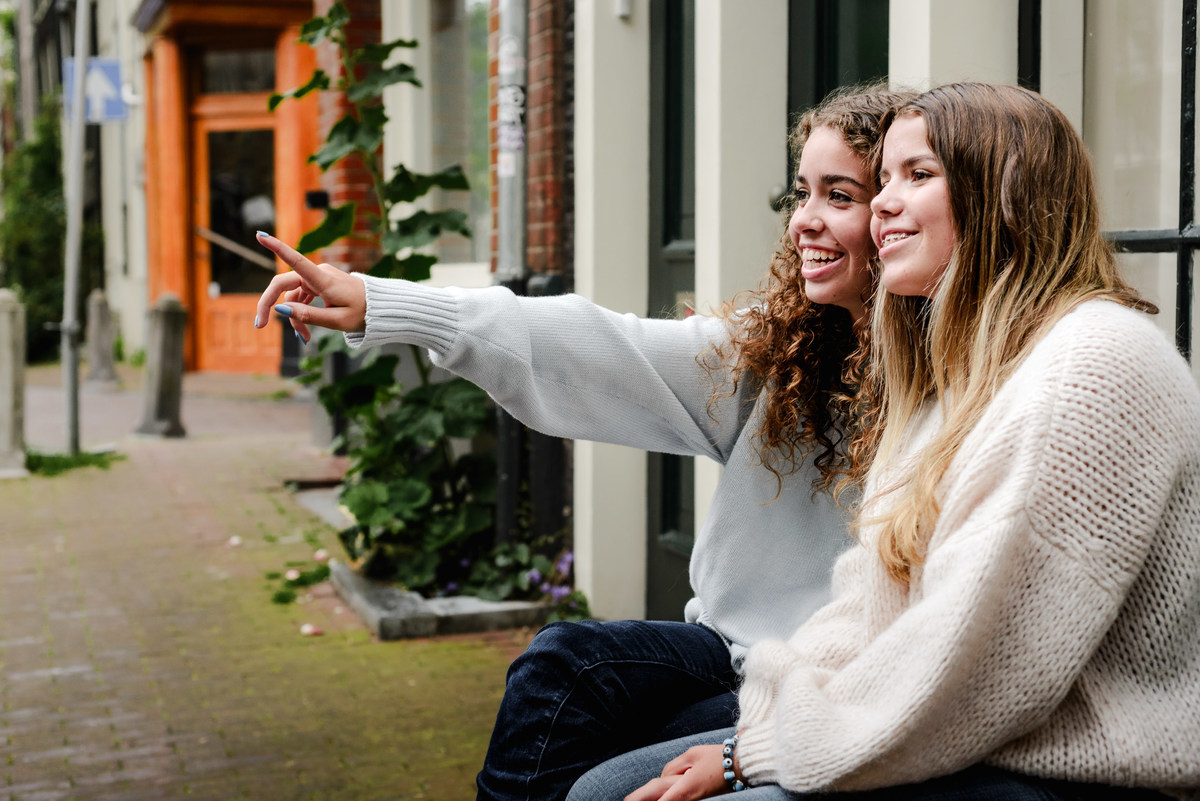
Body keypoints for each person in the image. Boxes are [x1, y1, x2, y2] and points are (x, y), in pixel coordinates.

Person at [252, 85, 912, 801]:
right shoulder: (776, 352)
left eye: (838, 196)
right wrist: (383, 304)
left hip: (831, 679)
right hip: (728, 652)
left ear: (897, 214)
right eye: (800, 194)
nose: (803, 224)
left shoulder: (955, 395)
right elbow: (601, 347)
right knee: (564, 662)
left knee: (614, 765)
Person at [567, 82, 1200, 801]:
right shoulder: (951, 384)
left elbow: (974, 657)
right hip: (969, 742)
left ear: (1007, 196)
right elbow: (867, 604)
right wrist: (766, 724)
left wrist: (758, 755)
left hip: (1068, 772)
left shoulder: (1095, 364)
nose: (884, 207)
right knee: (602, 789)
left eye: (918, 176)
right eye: (884, 178)